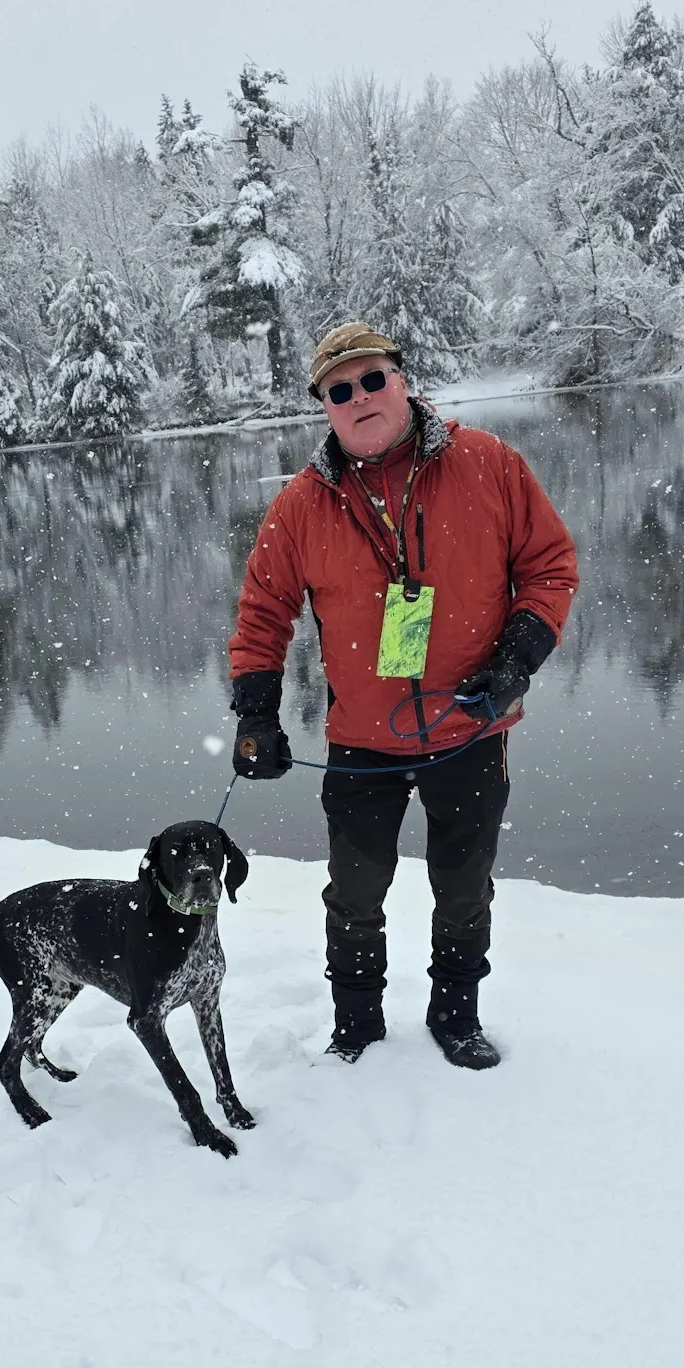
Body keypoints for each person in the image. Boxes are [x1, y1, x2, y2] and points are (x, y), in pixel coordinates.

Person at [228, 322, 579, 1065]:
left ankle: (456, 1015)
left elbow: (548, 568)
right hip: (363, 741)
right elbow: (263, 613)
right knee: (354, 896)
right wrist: (257, 713)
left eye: (372, 379)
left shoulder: (488, 463)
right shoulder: (300, 506)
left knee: (464, 889)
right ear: (324, 407)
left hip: (471, 727)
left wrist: (515, 662)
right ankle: (356, 1024)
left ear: (402, 379)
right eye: (339, 391)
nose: (360, 398)